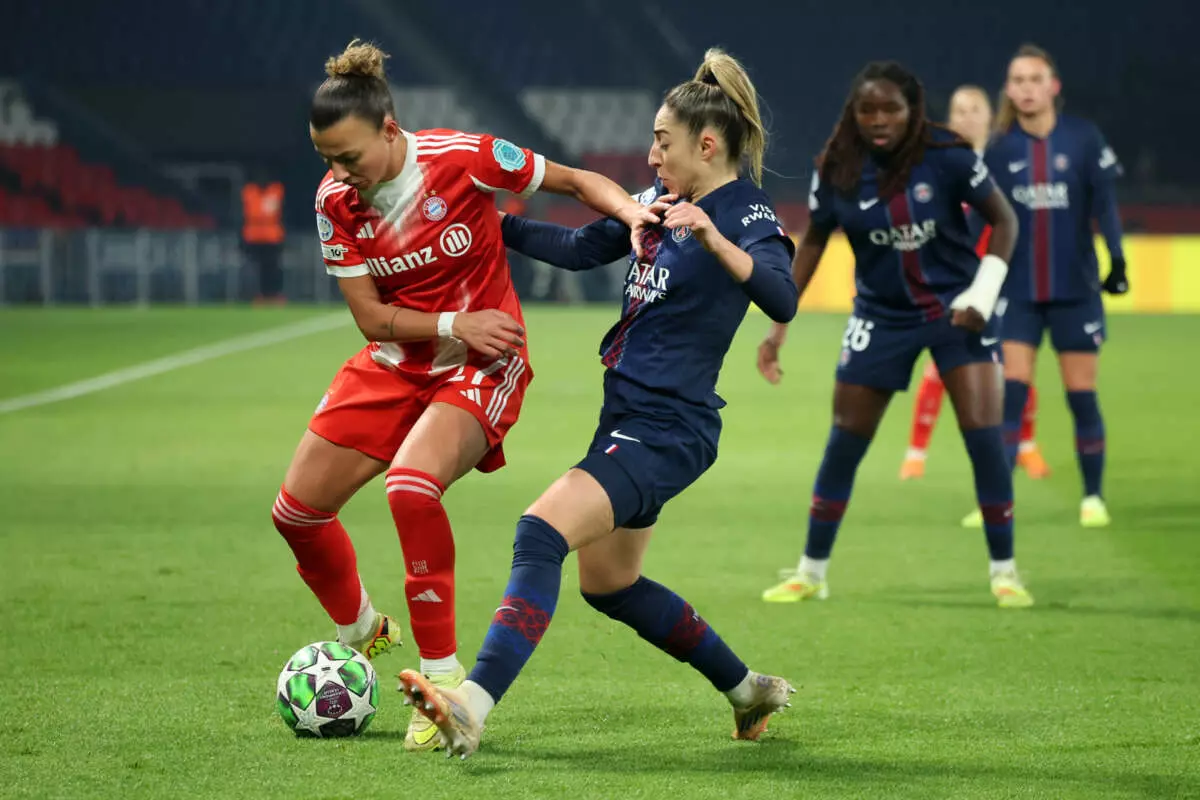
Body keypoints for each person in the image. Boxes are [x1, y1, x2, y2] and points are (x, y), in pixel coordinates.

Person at [396, 49, 797, 760]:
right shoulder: (659, 202)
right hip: (629, 420)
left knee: (539, 532)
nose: (650, 154)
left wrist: (713, 239)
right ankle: (748, 690)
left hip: (669, 429)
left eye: (662, 142)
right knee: (610, 584)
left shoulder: (744, 210)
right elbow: (581, 248)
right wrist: (487, 222)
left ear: (707, 146)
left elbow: (779, 293)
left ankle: (471, 703)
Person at [272, 39, 657, 753]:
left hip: (482, 361)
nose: (338, 172)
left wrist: (633, 216)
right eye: (326, 157)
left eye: (349, 156)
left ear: (389, 131)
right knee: (295, 513)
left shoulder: (464, 157)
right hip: (397, 358)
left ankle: (441, 681)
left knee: (411, 489)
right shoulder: (336, 202)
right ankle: (362, 629)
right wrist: (452, 321)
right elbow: (370, 319)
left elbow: (573, 181)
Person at [756, 61, 1033, 609]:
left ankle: (1005, 573)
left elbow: (1006, 222)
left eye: (891, 109)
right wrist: (777, 326)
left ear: (913, 111)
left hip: (959, 311)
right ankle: (811, 572)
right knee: (844, 443)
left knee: (984, 437)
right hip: (880, 317)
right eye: (867, 110)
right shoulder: (836, 168)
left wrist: (983, 294)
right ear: (853, 113)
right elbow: (811, 245)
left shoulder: (949, 156)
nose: (879, 120)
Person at [962, 44, 1128, 529]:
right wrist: (959, 270)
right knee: (1010, 396)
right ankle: (998, 503)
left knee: (1081, 395)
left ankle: (1093, 497)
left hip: (1076, 292)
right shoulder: (1000, 148)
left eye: (1035, 79)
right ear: (1008, 90)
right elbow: (979, 218)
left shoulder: (1083, 139)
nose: (1026, 88)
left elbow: (1106, 206)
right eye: (1017, 80)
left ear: (1053, 86)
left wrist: (1116, 260)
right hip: (1017, 295)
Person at [900, 85, 1049, 481]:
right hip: (953, 284)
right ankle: (916, 454)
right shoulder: (940, 166)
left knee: (1014, 370)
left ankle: (1028, 447)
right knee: (939, 370)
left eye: (975, 109)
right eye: (959, 110)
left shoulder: (1004, 166)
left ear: (989, 116)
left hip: (1002, 280)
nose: (967, 117)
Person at [241, 168, 286, 304]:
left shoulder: (276, 190)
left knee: (274, 268)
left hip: (273, 237)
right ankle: (259, 295)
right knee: (257, 269)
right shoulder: (249, 191)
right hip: (254, 237)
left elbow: (282, 213)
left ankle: (275, 294)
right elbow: (243, 214)